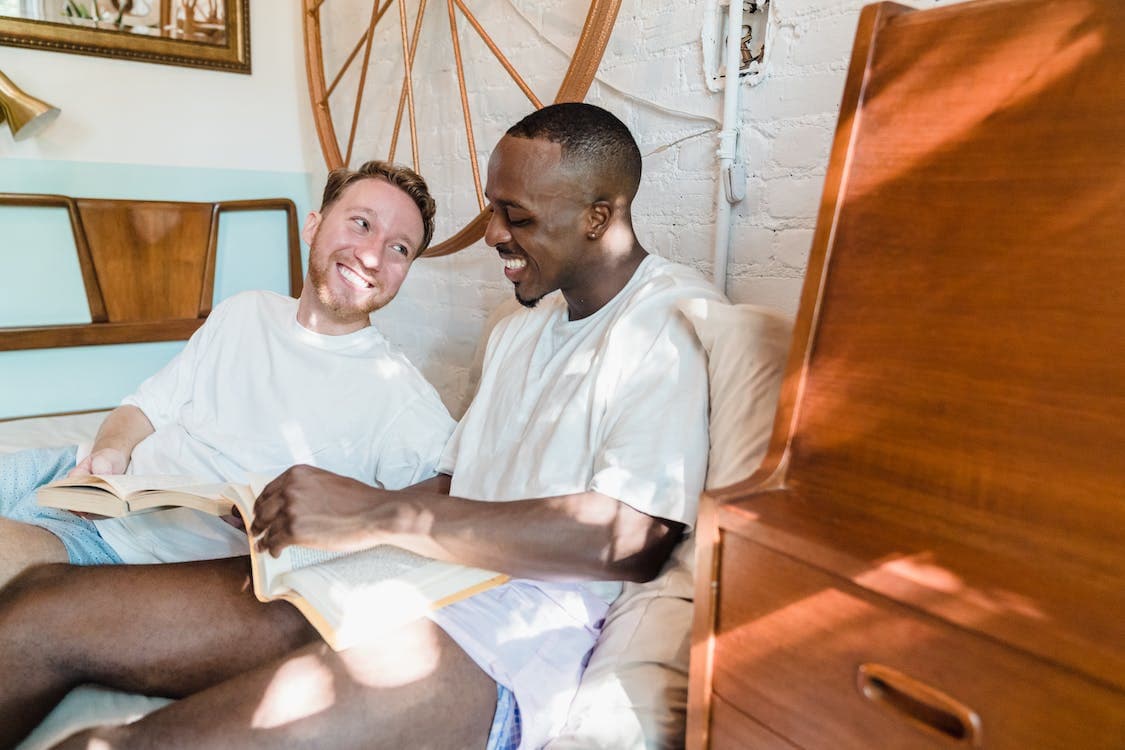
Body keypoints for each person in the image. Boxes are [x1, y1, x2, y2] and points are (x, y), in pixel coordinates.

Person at [0, 103, 724, 750]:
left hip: (500, 634)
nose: (493, 235)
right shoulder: (519, 328)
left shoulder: (664, 322)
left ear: (599, 215)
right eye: (493, 210)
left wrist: (378, 511)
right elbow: (458, 476)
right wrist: (326, 515)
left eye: (518, 217)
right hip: (406, 579)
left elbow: (630, 539)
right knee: (36, 613)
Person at [0, 160, 454, 588]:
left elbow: (455, 497)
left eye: (399, 248)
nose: (372, 256)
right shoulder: (245, 310)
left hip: (122, 548)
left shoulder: (398, 393)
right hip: (85, 474)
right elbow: (143, 408)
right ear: (313, 226)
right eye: (362, 223)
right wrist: (109, 456)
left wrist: (338, 521)